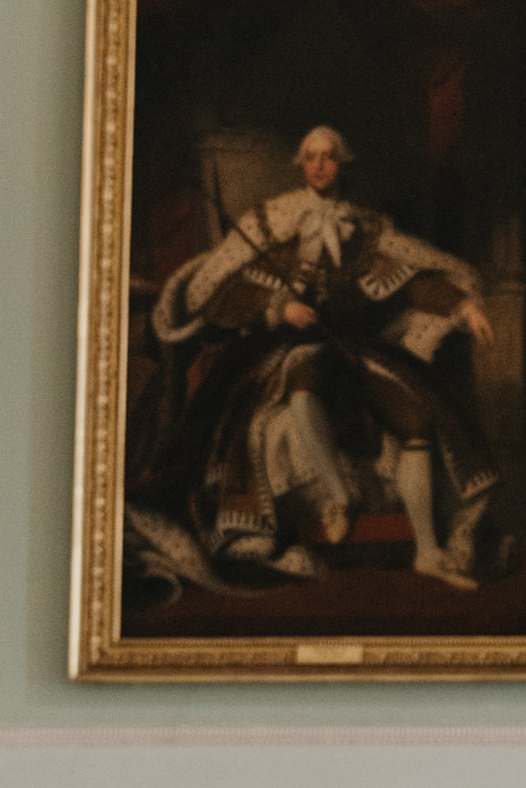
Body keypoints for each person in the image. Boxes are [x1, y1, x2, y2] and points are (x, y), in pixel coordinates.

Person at [128, 125, 498, 591]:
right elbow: (220, 292)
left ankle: (427, 551)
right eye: (310, 157)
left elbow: (411, 280)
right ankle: (338, 500)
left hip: (356, 348)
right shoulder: (273, 224)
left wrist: (462, 306)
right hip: (291, 347)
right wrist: (278, 308)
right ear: (301, 165)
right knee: (302, 391)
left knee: (418, 419)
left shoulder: (364, 230)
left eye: (328, 157)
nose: (319, 165)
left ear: (342, 164)